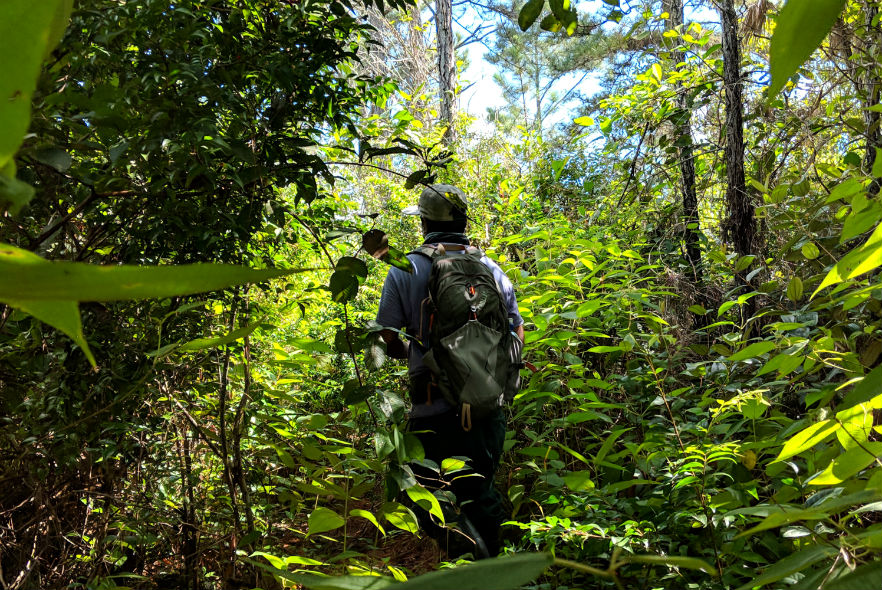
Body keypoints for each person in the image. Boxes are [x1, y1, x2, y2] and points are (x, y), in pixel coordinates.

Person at [375, 184, 524, 558]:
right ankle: (495, 573)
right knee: (480, 493)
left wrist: (413, 352)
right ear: (463, 220)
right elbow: (516, 328)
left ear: (424, 223)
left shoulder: (405, 268)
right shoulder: (490, 267)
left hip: (431, 410)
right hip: (487, 405)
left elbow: (387, 338)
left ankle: (468, 565)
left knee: (425, 499)